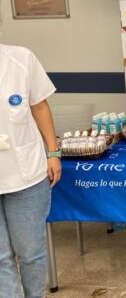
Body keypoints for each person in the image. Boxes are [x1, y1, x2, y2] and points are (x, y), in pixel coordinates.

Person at [0, 42, 61, 298]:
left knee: (30, 253)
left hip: (26, 175)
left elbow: (40, 106)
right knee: (1, 257)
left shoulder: (21, 58)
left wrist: (53, 152)